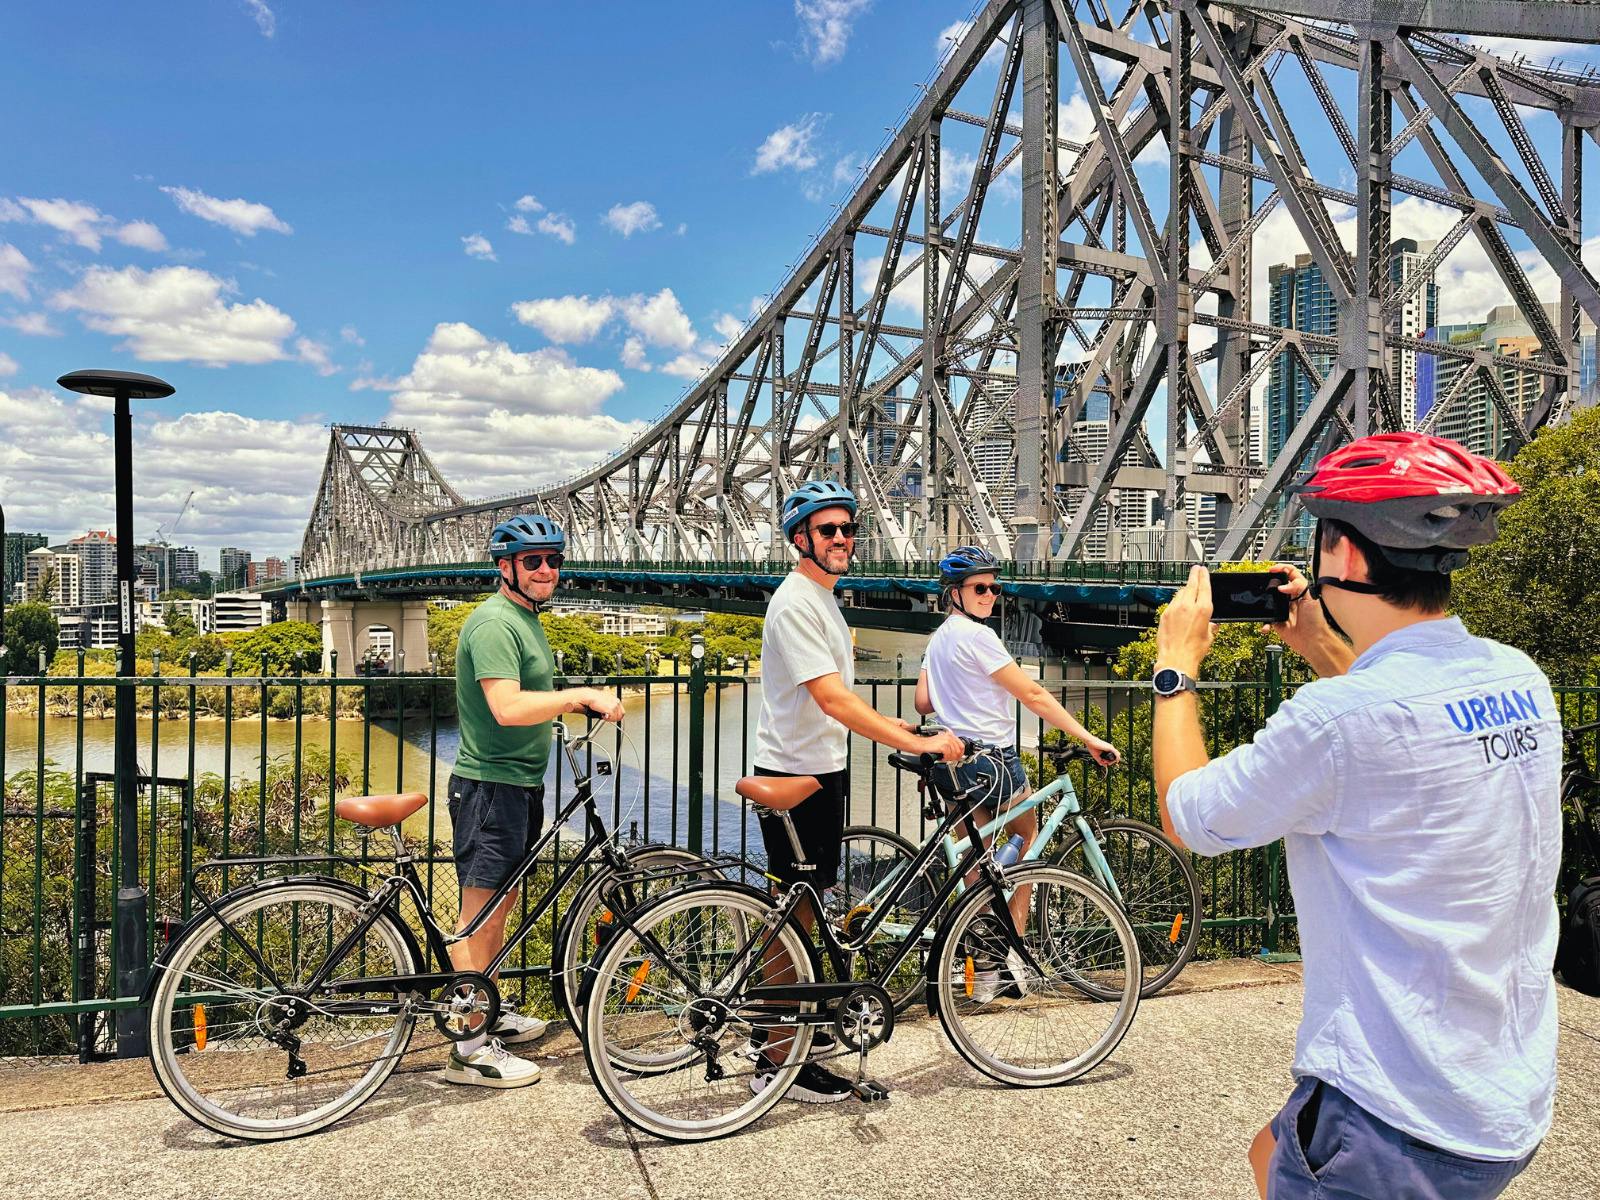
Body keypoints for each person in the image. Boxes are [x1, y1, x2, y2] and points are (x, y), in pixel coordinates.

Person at [1150, 433, 1557, 1198]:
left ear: (1348, 559)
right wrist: (1324, 647)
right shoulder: (1519, 678)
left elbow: (1190, 816)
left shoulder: (1337, 722)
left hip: (1397, 1119)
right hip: (1503, 1093)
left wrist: (1176, 667)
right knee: (1268, 1154)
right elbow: (1397, 742)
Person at [749, 479, 964, 1103]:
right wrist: (922, 745)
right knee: (792, 919)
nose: (843, 539)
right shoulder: (795, 602)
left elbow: (835, 698)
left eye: (847, 529)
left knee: (806, 908)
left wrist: (896, 726)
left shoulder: (824, 601)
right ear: (800, 540)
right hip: (797, 774)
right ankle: (775, 1062)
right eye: (828, 530)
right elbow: (830, 698)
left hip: (821, 769)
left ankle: (795, 1034)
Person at [441, 514, 625, 1088]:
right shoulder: (496, 622)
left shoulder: (524, 618)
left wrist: (572, 706)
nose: (546, 570)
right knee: (478, 917)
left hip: (517, 783)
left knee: (502, 905)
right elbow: (507, 707)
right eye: (532, 561)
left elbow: (529, 698)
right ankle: (470, 1046)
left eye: (553, 560)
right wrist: (580, 694)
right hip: (490, 786)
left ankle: (485, 1007)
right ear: (505, 567)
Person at [913, 544, 1119, 1000]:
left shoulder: (940, 638)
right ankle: (1011, 955)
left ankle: (980, 969)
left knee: (977, 863)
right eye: (979, 587)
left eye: (994, 587)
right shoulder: (979, 637)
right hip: (993, 763)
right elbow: (1034, 694)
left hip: (953, 761)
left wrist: (959, 693)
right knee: (1026, 842)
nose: (990, 595)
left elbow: (923, 704)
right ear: (954, 593)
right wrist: (1088, 738)